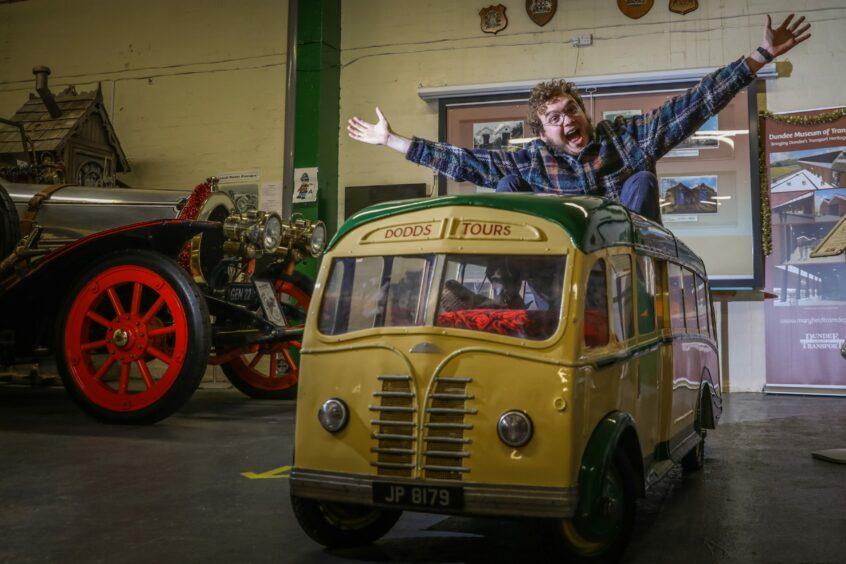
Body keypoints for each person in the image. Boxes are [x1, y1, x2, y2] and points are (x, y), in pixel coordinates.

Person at [347, 14, 811, 225]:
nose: (567, 118)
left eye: (571, 109)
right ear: (542, 132)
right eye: (554, 117)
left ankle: (628, 247)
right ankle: (515, 281)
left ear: (581, 112)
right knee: (506, 188)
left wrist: (759, 57)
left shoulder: (624, 139)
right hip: (558, 259)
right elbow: (464, 162)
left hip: (618, 255)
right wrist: (392, 141)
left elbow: (692, 105)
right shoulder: (529, 160)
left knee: (644, 180)